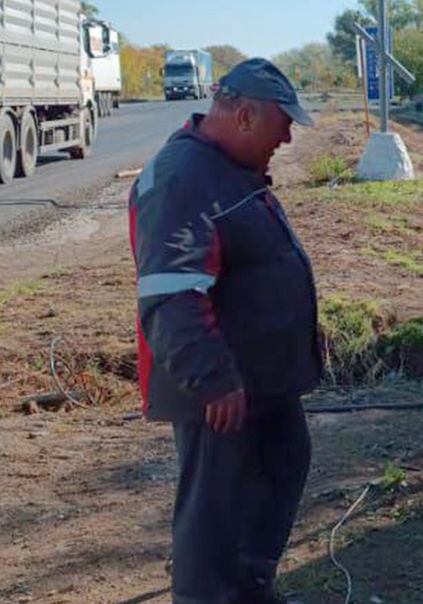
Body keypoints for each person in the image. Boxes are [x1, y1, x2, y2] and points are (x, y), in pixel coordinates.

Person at [130, 58, 319, 604]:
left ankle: (251, 584)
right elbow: (171, 293)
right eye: (282, 122)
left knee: (284, 459)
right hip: (219, 387)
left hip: (256, 376)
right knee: (215, 508)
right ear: (243, 115)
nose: (286, 136)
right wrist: (212, 377)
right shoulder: (183, 177)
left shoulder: (225, 168)